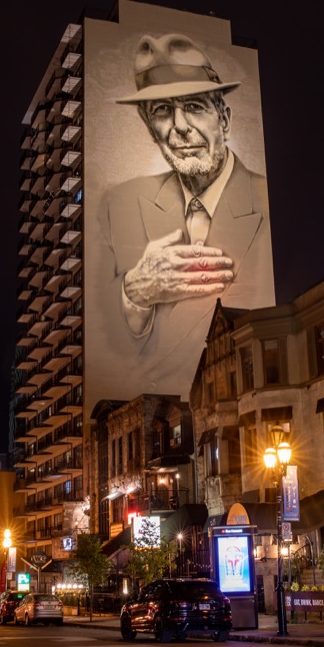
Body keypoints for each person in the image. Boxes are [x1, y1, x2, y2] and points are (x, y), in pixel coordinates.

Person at [94, 33, 273, 394]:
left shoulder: (260, 199)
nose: (179, 126)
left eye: (194, 106)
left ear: (224, 117)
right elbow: (107, 336)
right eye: (162, 110)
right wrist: (134, 293)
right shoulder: (118, 204)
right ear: (149, 126)